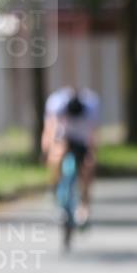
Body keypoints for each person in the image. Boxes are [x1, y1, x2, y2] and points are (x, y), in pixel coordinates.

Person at [41, 86, 100, 226]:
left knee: (87, 168)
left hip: (81, 140)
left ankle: (84, 205)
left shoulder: (91, 106)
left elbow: (93, 135)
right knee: (56, 157)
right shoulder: (57, 105)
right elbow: (49, 129)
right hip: (63, 137)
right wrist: (46, 150)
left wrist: (92, 154)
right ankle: (54, 189)